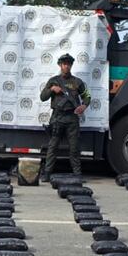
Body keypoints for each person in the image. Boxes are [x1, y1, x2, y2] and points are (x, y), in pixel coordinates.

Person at [39, 53, 92, 181]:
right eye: (64, 64)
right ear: (60, 65)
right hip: (57, 117)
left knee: (74, 148)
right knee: (52, 147)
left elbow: (87, 96)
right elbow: (42, 97)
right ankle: (47, 173)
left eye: (68, 64)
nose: (66, 66)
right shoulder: (53, 81)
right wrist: (52, 89)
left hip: (72, 118)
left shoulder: (77, 82)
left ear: (71, 65)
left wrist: (83, 106)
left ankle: (77, 174)